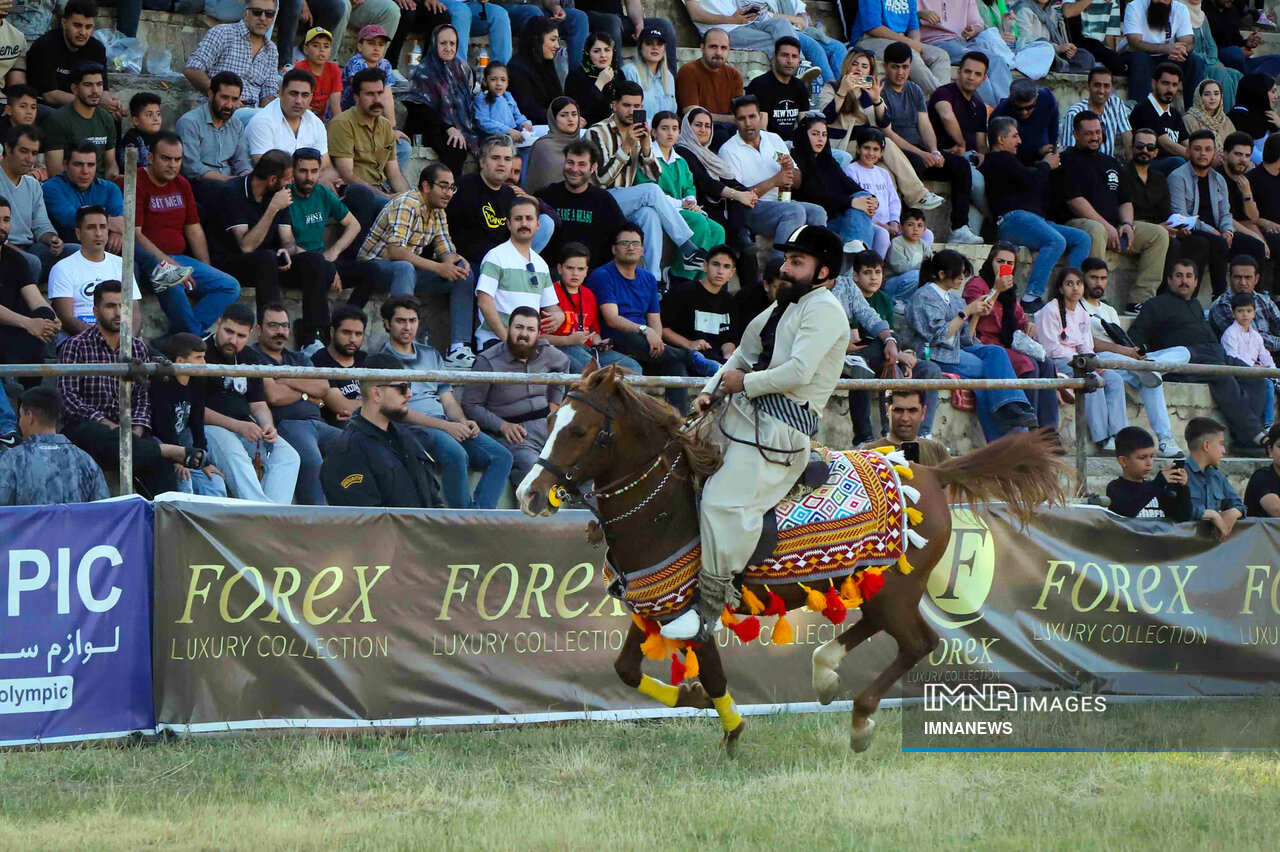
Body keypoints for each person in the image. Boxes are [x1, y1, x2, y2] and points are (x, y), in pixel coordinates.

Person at [664, 224, 851, 639]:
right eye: (787, 260)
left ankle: (711, 605)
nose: (785, 268)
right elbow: (743, 356)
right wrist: (710, 391)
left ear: (823, 273)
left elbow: (798, 371)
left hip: (782, 432)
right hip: (740, 413)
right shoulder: (785, 304)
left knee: (720, 503)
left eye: (797, 262)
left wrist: (742, 384)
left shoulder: (824, 309)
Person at [379, 296, 513, 509]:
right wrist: (446, 426)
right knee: (456, 453)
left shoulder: (430, 354)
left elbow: (448, 401)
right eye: (400, 321)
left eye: (412, 321)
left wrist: (462, 422)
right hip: (411, 429)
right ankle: (462, 519)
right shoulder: (383, 359)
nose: (408, 327)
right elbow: (398, 412)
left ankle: (478, 518)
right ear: (387, 323)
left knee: (502, 456)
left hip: (443, 424)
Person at [1129, 259, 1268, 455]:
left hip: (1216, 354)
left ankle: (1244, 441)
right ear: (1169, 280)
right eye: (1179, 276)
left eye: (1189, 277)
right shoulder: (1155, 305)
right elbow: (1135, 338)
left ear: (1195, 282)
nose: (1184, 281)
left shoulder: (1195, 304)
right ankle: (1253, 435)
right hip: (1185, 361)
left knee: (1256, 378)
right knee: (1223, 377)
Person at [58, 281, 178, 498]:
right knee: (96, 434)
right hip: (89, 428)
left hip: (127, 429)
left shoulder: (137, 347)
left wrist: (137, 429)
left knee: (162, 468)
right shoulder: (75, 345)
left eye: (123, 306)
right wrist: (108, 425)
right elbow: (68, 398)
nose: (118, 312)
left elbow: (142, 396)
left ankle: (163, 517)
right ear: (96, 311)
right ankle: (165, 450)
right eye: (110, 306)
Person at [906, 249, 1038, 442]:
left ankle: (1010, 414)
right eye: (958, 273)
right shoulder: (923, 296)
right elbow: (938, 336)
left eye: (963, 273)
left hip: (957, 351)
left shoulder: (954, 298)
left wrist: (977, 315)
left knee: (995, 354)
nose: (962, 278)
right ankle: (1012, 417)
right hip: (935, 354)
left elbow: (967, 338)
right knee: (988, 373)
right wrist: (967, 311)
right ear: (941, 274)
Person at [587, 82, 711, 275]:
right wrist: (627, 145)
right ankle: (687, 247)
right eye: (627, 105)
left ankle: (654, 279)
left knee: (650, 215)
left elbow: (654, 176)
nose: (632, 111)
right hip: (600, 200)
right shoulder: (597, 132)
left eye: (637, 106)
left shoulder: (637, 132)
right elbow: (601, 179)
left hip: (626, 203)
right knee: (651, 191)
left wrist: (646, 146)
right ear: (615, 105)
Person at [126, 132, 242, 336]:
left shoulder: (182, 184)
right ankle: (193, 337)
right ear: (150, 157)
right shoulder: (135, 182)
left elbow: (193, 229)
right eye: (166, 158)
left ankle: (181, 336)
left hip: (179, 259)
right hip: (148, 261)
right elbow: (135, 234)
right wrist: (168, 264)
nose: (172, 165)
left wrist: (205, 267)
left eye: (177, 159)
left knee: (230, 286)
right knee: (171, 278)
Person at [1058, 110, 1171, 307]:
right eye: (1088, 133)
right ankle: (1093, 296)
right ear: (1075, 135)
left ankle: (1140, 300)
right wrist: (1107, 226)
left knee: (1158, 234)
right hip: (1080, 224)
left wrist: (1127, 224)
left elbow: (1125, 200)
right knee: (1096, 229)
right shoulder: (1066, 159)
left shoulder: (1111, 162)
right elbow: (1075, 201)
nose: (1095, 137)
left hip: (1113, 227)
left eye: (1098, 132)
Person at [982, 117, 1090, 314]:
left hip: (1035, 220)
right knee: (1056, 241)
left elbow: (1029, 178)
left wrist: (1043, 163)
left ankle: (1070, 294)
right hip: (1012, 219)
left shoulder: (1011, 161)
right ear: (1000, 139)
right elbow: (1029, 180)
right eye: (1015, 136)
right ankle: (1031, 296)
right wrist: (1046, 165)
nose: (1020, 141)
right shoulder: (999, 159)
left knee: (1082, 238)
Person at [1080, 257, 1187, 457]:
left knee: (1182, 352)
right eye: (1093, 278)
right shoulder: (1079, 307)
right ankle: (1165, 437)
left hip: (1125, 360)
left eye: (1103, 278)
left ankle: (1165, 440)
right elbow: (1087, 342)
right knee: (1150, 376)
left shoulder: (1110, 310)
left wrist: (1134, 353)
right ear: (1083, 278)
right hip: (1101, 359)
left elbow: (1120, 339)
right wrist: (1123, 351)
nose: (1098, 283)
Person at [881, 42, 981, 245]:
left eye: (905, 67)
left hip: (919, 149)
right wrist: (921, 154)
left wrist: (934, 151)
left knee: (960, 165)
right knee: (916, 163)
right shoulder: (881, 91)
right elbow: (887, 133)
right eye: (895, 67)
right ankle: (907, 226)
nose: (900, 73)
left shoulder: (915, 90)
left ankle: (959, 228)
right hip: (896, 152)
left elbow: (925, 125)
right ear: (885, 66)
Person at [202, 303, 302, 504]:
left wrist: (268, 426)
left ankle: (271, 516)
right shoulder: (200, 351)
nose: (233, 340)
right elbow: (195, 410)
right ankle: (261, 513)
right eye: (229, 331)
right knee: (234, 452)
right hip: (207, 428)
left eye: (241, 336)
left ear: (250, 335)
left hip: (244, 428)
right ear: (218, 324)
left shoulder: (250, 357)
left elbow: (258, 404)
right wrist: (238, 426)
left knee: (288, 456)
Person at [835, 250, 940, 443]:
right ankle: (880, 435)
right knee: (867, 370)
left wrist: (901, 357)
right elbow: (855, 342)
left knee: (931, 369)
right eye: (867, 273)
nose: (873, 277)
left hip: (886, 355)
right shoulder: (850, 297)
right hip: (859, 358)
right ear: (855, 276)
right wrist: (898, 355)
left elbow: (890, 337)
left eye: (877, 272)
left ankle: (923, 433)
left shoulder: (884, 300)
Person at [463, 304, 571, 485]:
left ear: (538, 333)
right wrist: (502, 426)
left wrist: (554, 404)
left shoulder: (546, 352)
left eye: (530, 329)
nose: (524, 334)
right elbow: (470, 405)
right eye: (519, 327)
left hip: (546, 425)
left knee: (580, 465)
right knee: (533, 471)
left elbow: (564, 365)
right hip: (513, 433)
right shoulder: (487, 361)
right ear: (509, 328)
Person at [247, 303, 343, 506]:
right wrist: (307, 392)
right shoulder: (254, 357)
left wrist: (285, 378)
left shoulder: (299, 357)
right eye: (273, 325)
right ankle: (315, 518)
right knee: (313, 461)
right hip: (288, 424)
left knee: (357, 447)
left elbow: (323, 388)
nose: (280, 331)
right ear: (259, 329)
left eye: (284, 326)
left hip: (319, 424)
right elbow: (274, 396)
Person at [320, 352, 442, 509]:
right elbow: (367, 519)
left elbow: (433, 501)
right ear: (376, 394)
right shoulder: (347, 451)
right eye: (402, 388)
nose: (409, 394)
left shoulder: (409, 440)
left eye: (409, 385)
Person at [275, 148, 367, 348]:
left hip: (322, 262)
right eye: (303, 171)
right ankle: (313, 334)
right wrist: (326, 265)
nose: (309, 177)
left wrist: (335, 251)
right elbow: (289, 245)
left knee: (372, 271)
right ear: (293, 171)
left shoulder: (323, 193)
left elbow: (354, 225)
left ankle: (342, 322)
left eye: (314, 171)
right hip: (293, 266)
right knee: (315, 261)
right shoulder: (285, 196)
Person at [962, 242, 1059, 430]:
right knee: (1029, 365)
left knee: (1047, 365)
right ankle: (1028, 432)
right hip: (984, 343)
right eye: (1000, 261)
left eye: (1009, 263)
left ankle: (1049, 433)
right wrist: (996, 290)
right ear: (990, 261)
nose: (1004, 266)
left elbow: (1019, 317)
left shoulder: (1010, 289)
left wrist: (1028, 325)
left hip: (1007, 343)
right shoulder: (977, 285)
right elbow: (975, 314)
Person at [720, 95, 827, 265]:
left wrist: (790, 171)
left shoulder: (773, 139)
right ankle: (778, 268)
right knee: (794, 211)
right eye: (742, 118)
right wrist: (774, 181)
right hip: (750, 209)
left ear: (760, 117)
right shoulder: (728, 150)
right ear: (735, 120)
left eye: (752, 117)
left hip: (780, 202)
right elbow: (738, 197)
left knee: (817, 212)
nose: (748, 123)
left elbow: (797, 181)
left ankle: (815, 264)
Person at [1034, 267, 1128, 450]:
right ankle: (1102, 438)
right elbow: (1051, 349)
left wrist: (1092, 361)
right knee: (1093, 379)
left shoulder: (1082, 311)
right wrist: (1085, 363)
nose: (1075, 288)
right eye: (1069, 284)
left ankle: (1119, 435)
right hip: (1059, 361)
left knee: (1115, 379)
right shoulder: (1050, 310)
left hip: (1081, 361)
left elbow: (1086, 345)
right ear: (1061, 288)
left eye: (1079, 283)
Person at [1124, 126, 1219, 298]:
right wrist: (1160, 228)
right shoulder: (1122, 174)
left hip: (1161, 228)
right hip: (1134, 227)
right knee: (1171, 245)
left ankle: (1187, 298)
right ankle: (1164, 297)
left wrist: (1178, 230)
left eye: (1150, 148)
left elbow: (1167, 213)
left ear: (1156, 152)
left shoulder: (1159, 178)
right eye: (1140, 146)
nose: (1145, 151)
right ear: (1131, 148)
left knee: (1199, 243)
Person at [673, 107, 760, 287]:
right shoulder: (682, 150)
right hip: (700, 206)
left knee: (745, 243)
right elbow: (704, 182)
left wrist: (745, 193)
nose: (703, 130)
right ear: (687, 127)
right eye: (698, 125)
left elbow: (728, 179)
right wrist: (737, 194)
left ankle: (749, 293)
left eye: (708, 126)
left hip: (720, 208)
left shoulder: (708, 153)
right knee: (727, 246)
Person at [639, 111, 726, 283]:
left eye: (674, 128)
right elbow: (649, 189)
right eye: (664, 128)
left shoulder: (681, 161)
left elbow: (689, 187)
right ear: (654, 132)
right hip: (662, 210)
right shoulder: (647, 157)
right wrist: (682, 204)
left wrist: (691, 201)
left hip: (682, 209)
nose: (670, 133)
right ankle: (678, 276)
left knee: (718, 230)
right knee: (698, 222)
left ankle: (704, 280)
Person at [475, 196, 563, 350]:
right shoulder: (495, 257)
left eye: (529, 218)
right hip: (496, 342)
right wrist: (507, 340)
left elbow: (551, 307)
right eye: (518, 219)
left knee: (564, 362)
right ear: (509, 224)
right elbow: (484, 303)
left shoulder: (541, 264)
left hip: (529, 345)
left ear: (538, 225)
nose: (524, 224)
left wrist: (559, 315)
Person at [47, 205, 141, 345]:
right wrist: (104, 340)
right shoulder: (62, 268)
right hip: (78, 342)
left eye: (103, 227)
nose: (98, 233)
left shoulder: (123, 265)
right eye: (91, 227)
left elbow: (135, 314)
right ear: (78, 233)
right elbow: (66, 318)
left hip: (120, 342)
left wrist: (126, 341)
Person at [544, 242, 642, 372]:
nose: (575, 273)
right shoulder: (550, 292)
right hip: (562, 347)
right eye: (570, 268)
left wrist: (599, 343)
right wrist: (568, 340)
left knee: (633, 367)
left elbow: (593, 331)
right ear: (560, 269)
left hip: (589, 349)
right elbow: (540, 337)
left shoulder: (588, 294)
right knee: (592, 370)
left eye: (580, 269)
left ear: (586, 271)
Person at [0, 386, 108, 505]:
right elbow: (102, 510)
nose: (19, 422)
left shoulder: (12, 460)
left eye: (20, 416)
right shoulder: (87, 461)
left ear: (30, 416)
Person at [150, 333, 226, 498]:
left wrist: (204, 461)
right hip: (161, 443)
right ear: (180, 361)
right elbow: (163, 426)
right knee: (184, 480)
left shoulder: (197, 382)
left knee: (215, 482)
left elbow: (197, 423)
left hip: (183, 441)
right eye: (198, 358)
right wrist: (178, 458)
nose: (204, 363)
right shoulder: (163, 385)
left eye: (204, 357)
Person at [1168, 130, 1240, 297]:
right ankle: (1220, 297)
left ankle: (1251, 299)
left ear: (1215, 153)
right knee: (1215, 243)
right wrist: (1212, 231)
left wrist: (1228, 231)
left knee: (1253, 245)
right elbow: (1180, 215)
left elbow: (1225, 213)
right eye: (1197, 149)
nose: (1202, 154)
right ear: (1188, 151)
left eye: (1208, 149)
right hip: (1190, 230)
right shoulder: (1177, 177)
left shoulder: (1219, 179)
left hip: (1218, 233)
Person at [790, 115, 876, 253]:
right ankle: (859, 253)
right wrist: (851, 202)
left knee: (862, 195)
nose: (821, 139)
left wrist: (871, 199)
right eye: (815, 134)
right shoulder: (796, 160)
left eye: (824, 135)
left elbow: (849, 185)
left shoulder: (827, 161)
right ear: (804, 135)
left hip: (836, 215)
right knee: (861, 220)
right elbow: (816, 196)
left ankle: (855, 247)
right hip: (817, 220)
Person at [536, 138, 626, 270]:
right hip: (550, 274)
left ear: (593, 167)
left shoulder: (604, 201)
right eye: (570, 162)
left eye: (582, 164)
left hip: (591, 276)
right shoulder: (546, 196)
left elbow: (620, 237)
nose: (574, 169)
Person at [403, 24, 481, 177]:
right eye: (443, 43)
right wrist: (448, 127)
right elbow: (421, 111)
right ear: (434, 44)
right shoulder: (424, 71)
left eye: (452, 43)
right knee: (456, 147)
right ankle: (451, 188)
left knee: (492, 145)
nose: (448, 48)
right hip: (430, 127)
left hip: (461, 126)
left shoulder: (463, 69)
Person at [25, 0, 123, 118]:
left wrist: (111, 104)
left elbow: (103, 88)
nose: (83, 32)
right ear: (64, 23)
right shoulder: (45, 46)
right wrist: (93, 102)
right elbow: (50, 95)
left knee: (112, 117)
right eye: (77, 25)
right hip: (48, 108)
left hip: (84, 104)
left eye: (88, 27)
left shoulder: (97, 48)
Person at [327, 68, 409, 208]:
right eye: (370, 94)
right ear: (356, 97)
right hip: (356, 194)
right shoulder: (343, 124)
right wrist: (386, 197)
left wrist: (407, 197)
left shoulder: (385, 125)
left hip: (380, 190)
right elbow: (347, 175)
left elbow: (394, 174)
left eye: (380, 93)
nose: (377, 100)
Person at [682, 0, 817, 82]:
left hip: (744, 23)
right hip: (723, 31)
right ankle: (793, 81)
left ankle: (800, 64)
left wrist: (749, 12)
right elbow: (695, 14)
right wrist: (731, 20)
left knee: (781, 23)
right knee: (775, 43)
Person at [184, 1, 282, 110]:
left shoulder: (271, 50)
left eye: (269, 14)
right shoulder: (223, 33)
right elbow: (192, 69)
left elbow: (269, 92)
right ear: (245, 14)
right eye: (257, 12)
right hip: (218, 111)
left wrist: (267, 114)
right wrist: (224, 97)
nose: (263, 18)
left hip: (253, 114)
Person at [0, 124, 66, 282]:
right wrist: (10, 248)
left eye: (34, 153)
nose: (29, 159)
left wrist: (52, 239)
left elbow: (41, 225)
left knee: (74, 252)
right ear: (8, 149)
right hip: (4, 249)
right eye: (23, 151)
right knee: (31, 262)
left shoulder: (33, 185)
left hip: (31, 248)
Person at [0, 199, 59, 373]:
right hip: (9, 329)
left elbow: (35, 299)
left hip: (11, 329)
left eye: (6, 220)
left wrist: (53, 319)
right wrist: (28, 323)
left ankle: (30, 386)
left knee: (44, 315)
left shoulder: (15, 259)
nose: (2, 226)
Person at [175, 71, 252, 201]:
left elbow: (242, 161)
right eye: (224, 97)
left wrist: (247, 179)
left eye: (234, 99)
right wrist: (230, 181)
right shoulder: (189, 123)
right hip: (199, 186)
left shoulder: (236, 124)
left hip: (230, 186)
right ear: (211, 94)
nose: (229, 105)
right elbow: (192, 168)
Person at [847, 0, 952, 95]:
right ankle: (943, 98)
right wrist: (909, 44)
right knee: (907, 53)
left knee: (940, 55)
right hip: (869, 39)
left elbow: (913, 28)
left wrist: (915, 43)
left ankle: (937, 100)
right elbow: (874, 28)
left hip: (900, 40)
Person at [919, 0, 1014, 102]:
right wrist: (919, 15)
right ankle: (990, 109)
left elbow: (978, 25)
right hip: (937, 42)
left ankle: (1008, 105)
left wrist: (973, 30)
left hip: (963, 41)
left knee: (997, 60)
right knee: (976, 63)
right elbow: (908, 19)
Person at [661, 243, 740, 363]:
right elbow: (662, 328)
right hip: (684, 359)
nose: (720, 271)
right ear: (705, 266)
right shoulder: (681, 292)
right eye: (715, 264)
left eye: (726, 266)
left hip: (717, 363)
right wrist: (688, 343)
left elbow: (729, 339)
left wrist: (729, 355)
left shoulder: (730, 302)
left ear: (732, 273)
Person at [39, 64, 117, 180]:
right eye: (88, 85)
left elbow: (111, 163)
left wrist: (113, 180)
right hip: (67, 187)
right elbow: (55, 171)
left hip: (100, 186)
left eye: (99, 84)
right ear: (74, 89)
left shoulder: (106, 118)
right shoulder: (57, 120)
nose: (95, 91)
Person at [1123, 0, 1204, 110]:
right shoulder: (1134, 7)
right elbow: (1135, 44)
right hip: (1135, 55)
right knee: (1141, 57)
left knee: (1194, 60)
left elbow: (1188, 42)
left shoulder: (1180, 9)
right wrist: (1167, 49)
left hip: (1166, 57)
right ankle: (1142, 113)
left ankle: (1195, 112)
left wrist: (1180, 50)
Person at [244, 70, 332, 170]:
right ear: (281, 93)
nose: (298, 101)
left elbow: (325, 163)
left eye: (305, 95)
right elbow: (265, 166)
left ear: (311, 97)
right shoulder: (262, 122)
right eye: (293, 94)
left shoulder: (316, 123)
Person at [41, 142, 123, 249]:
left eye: (91, 165)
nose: (85, 171)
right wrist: (109, 222)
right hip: (66, 246)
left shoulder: (110, 189)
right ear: (65, 165)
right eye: (78, 164)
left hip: (104, 243)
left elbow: (121, 221)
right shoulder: (51, 188)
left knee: (135, 251)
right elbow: (70, 218)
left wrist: (117, 233)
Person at [1105, 425, 1191, 519]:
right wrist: (1158, 483)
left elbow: (1182, 517)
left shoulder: (1156, 488)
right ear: (1123, 461)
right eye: (1142, 458)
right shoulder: (1115, 488)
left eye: (1151, 456)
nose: (1149, 463)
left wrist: (1182, 488)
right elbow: (1124, 513)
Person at [674, 27, 743, 141]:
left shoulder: (734, 75)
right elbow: (692, 113)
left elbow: (739, 113)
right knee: (721, 135)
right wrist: (729, 119)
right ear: (702, 48)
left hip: (727, 129)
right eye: (713, 47)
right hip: (697, 132)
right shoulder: (689, 71)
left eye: (723, 48)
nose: (718, 53)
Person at [1182, 415, 1245, 538]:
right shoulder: (1179, 474)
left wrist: (1234, 512)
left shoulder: (1216, 477)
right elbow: (1173, 510)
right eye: (1221, 444)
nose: (1224, 451)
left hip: (1214, 548)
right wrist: (1210, 514)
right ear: (1206, 445)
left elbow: (1238, 504)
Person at [1209, 255, 1280, 361]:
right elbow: (1251, 340)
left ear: (1256, 279)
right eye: (1237, 277)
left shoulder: (1264, 300)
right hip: (1242, 361)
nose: (1243, 283)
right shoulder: (1221, 305)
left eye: (1248, 277)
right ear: (1229, 277)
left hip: (1269, 355)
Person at [577, 1, 678, 73]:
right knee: (613, 22)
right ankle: (618, 80)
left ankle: (670, 83)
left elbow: (632, 2)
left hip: (618, 21)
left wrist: (639, 23)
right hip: (589, 19)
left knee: (664, 27)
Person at [310, 304, 369, 427]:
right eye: (346, 332)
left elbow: (387, 398)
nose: (353, 339)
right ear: (332, 332)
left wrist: (358, 412)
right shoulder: (320, 361)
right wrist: (378, 408)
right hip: (337, 428)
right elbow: (342, 406)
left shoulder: (365, 359)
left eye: (358, 334)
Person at [1129, 62, 1191, 176]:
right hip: (1147, 164)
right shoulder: (1145, 109)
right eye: (1165, 83)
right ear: (1154, 83)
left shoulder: (1174, 114)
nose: (1170, 89)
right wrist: (1198, 157)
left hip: (1172, 166)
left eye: (1174, 85)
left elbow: (1187, 143)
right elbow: (1166, 144)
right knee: (1179, 162)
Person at [745, 36, 810, 145]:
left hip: (793, 144)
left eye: (794, 56)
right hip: (768, 144)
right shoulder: (760, 85)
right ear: (775, 57)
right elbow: (761, 132)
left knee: (839, 154)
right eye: (784, 55)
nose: (790, 61)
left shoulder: (799, 86)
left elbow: (805, 125)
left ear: (799, 60)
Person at [858, 388, 950, 464]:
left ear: (923, 412)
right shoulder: (870, 452)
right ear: (887, 410)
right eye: (898, 410)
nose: (905, 418)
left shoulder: (937, 451)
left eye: (912, 410)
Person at [1181, 0, 1242, 112]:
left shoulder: (1201, 16)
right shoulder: (1179, 13)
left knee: (1236, 74)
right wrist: (1210, 62)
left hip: (1210, 62)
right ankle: (1223, 116)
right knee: (1219, 72)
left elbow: (1212, 45)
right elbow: (1186, 48)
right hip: (1193, 64)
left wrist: (1213, 60)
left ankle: (1236, 117)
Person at [1061, 65, 1133, 159]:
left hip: (1108, 164)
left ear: (1112, 89)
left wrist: (1132, 162)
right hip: (1084, 164)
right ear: (1088, 86)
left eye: (1106, 86)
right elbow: (1068, 153)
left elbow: (1127, 135)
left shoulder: (1116, 104)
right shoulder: (1074, 114)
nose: (1101, 91)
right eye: (1097, 85)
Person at [507, 16, 565, 123]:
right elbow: (527, 109)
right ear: (537, 39)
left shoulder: (546, 61)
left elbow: (558, 98)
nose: (557, 46)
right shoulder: (517, 67)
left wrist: (570, 116)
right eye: (553, 40)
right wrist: (560, 119)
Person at [1012, 0, 1095, 74]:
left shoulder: (1052, 12)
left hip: (1052, 53)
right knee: (1043, 44)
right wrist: (1057, 48)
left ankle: (1059, 63)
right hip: (1032, 54)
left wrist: (1067, 50)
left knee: (1085, 57)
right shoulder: (1023, 9)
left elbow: (1057, 41)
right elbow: (1024, 43)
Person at [991, 79, 1059, 165]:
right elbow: (1001, 154)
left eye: (1029, 107)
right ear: (1010, 99)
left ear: (1036, 97)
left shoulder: (1047, 99)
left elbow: (1053, 130)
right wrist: (1037, 153)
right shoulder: (999, 116)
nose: (1024, 112)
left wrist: (1051, 148)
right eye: (1018, 108)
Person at [1206, 0, 1280, 77]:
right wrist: (1239, 51)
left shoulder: (1232, 11)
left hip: (1239, 59)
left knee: (1277, 59)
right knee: (1235, 53)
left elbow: (1237, 40)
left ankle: (1249, 79)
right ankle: (1248, 79)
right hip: (1218, 61)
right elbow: (1206, 48)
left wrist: (1247, 43)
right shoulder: (1204, 13)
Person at [526, 97, 582, 194]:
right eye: (563, 115)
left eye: (574, 114)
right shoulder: (543, 147)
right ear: (554, 119)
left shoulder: (584, 146)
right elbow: (539, 184)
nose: (570, 119)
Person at [566, 31, 621, 127]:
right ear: (588, 53)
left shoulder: (618, 74)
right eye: (596, 51)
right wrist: (600, 83)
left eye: (607, 50)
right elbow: (578, 111)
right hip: (587, 129)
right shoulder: (576, 76)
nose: (603, 55)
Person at [622, 27, 677, 117]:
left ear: (664, 50)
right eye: (649, 43)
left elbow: (672, 112)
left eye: (660, 44)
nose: (655, 47)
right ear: (640, 48)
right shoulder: (630, 72)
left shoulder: (668, 77)